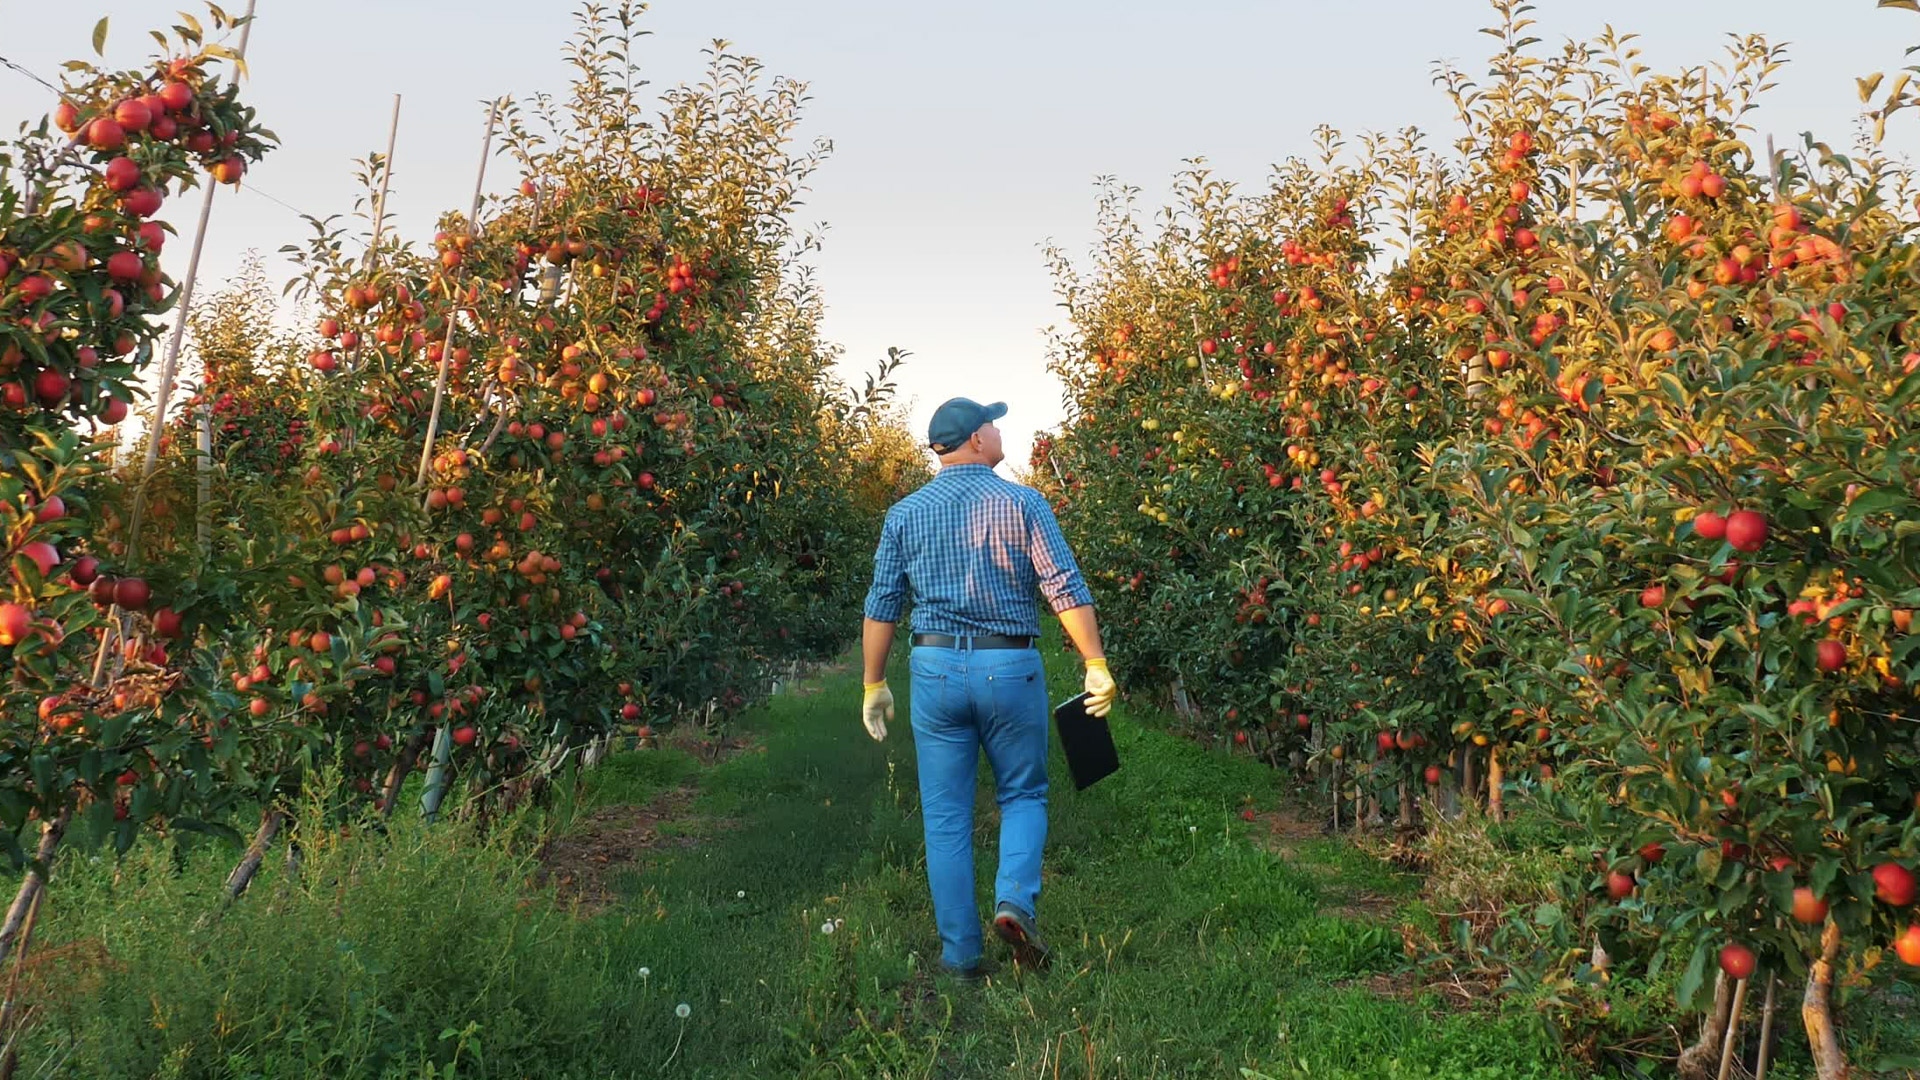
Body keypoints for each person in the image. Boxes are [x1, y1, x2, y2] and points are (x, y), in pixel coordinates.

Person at [857, 396, 1117, 981]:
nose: (1000, 430)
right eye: (993, 423)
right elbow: (1063, 587)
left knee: (945, 816)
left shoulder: (904, 514)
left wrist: (874, 682)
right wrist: (1094, 662)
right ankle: (1014, 901)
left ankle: (961, 956)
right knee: (1023, 794)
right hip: (1009, 668)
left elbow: (883, 606)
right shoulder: (1023, 502)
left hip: (935, 670)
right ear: (976, 439)